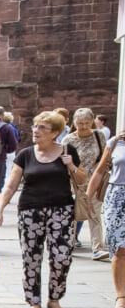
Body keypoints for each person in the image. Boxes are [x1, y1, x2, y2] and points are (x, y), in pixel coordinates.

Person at [0, 111, 85, 308]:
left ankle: (54, 300)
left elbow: (81, 179)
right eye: (35, 126)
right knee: (31, 257)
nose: (36, 131)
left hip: (61, 210)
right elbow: (11, 185)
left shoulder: (68, 151)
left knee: (61, 257)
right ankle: (34, 303)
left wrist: (70, 164)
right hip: (30, 211)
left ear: (55, 133)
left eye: (42, 128)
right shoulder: (25, 154)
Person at [88, 128, 125, 308]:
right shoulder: (115, 142)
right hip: (117, 199)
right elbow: (100, 171)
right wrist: (87, 198)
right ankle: (121, 298)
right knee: (119, 248)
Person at [64, 108, 108, 259]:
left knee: (94, 214)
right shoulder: (68, 139)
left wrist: (99, 167)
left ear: (93, 122)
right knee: (74, 213)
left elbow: (104, 156)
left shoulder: (98, 135)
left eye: (87, 123)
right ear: (74, 123)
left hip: (94, 180)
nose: (83, 126)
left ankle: (97, 249)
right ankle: (68, 245)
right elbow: (62, 161)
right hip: (74, 181)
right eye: (80, 123)